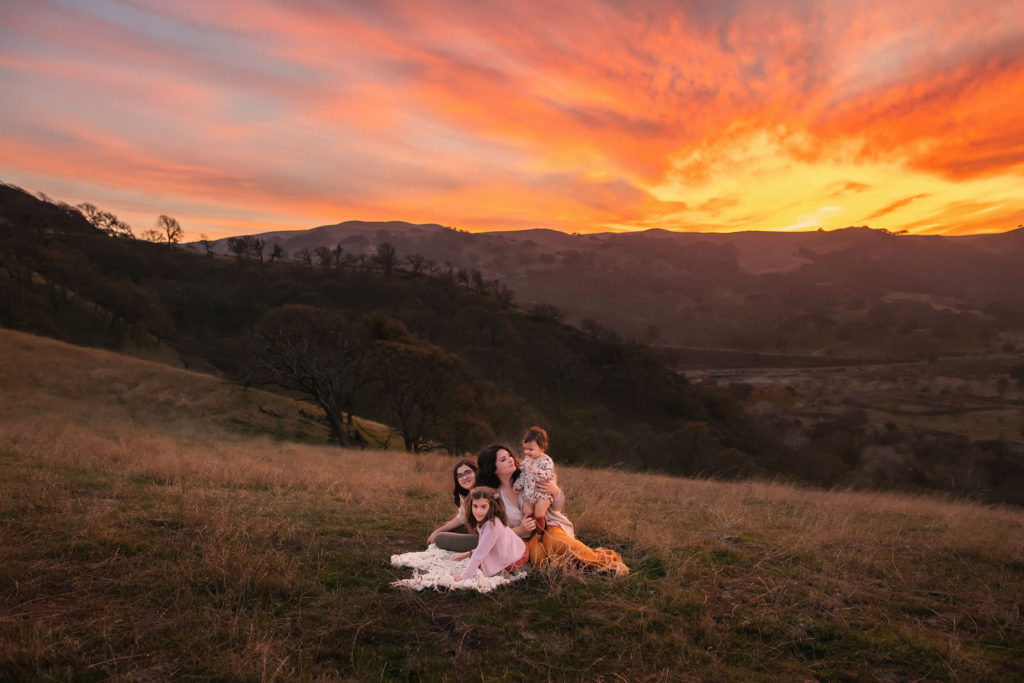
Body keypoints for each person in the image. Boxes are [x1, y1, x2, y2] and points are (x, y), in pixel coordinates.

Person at [476, 444, 629, 576]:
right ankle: (583, 569)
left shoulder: (528, 475)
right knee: (539, 558)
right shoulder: (493, 498)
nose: (510, 459)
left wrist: (555, 491)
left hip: (549, 526)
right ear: (493, 469)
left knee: (558, 544)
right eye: (503, 459)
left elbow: (557, 506)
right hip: (525, 538)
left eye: (509, 455)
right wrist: (520, 529)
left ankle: (607, 563)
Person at [451, 487, 529, 580]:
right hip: (512, 548)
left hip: (517, 556)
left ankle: (510, 572)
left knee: (488, 569)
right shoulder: (485, 520)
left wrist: (464, 577)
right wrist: (467, 554)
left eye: (483, 507)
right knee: (483, 562)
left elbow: (480, 554)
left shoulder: (492, 526)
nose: (478, 511)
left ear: (491, 507)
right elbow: (484, 546)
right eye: (475, 506)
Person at [429, 459, 479, 552]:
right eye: (460, 475)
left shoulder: (484, 493)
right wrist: (437, 531)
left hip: (486, 539)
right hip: (475, 533)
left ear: (477, 472)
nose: (464, 477)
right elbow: (461, 518)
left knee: (440, 538)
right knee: (443, 528)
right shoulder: (467, 495)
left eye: (467, 472)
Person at [514, 426, 555, 537]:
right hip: (529, 492)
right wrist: (518, 484)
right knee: (526, 511)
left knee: (539, 512)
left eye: (530, 449)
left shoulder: (546, 460)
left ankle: (539, 533)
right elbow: (523, 475)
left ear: (542, 448)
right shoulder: (527, 460)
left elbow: (549, 474)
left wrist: (537, 471)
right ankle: (531, 531)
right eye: (525, 449)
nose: (527, 452)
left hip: (542, 493)